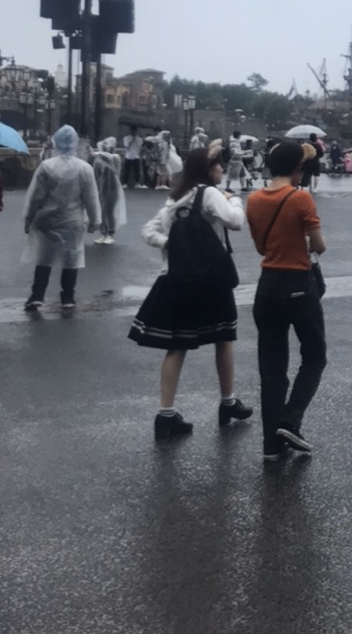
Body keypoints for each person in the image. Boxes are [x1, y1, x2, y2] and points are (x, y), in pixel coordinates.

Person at [130, 148, 251, 440]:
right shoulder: (210, 194)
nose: (222, 170)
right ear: (208, 169)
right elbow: (235, 222)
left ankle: (166, 413)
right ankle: (227, 402)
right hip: (211, 279)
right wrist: (234, 199)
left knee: (177, 345)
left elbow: (148, 231)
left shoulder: (175, 199)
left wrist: (171, 244)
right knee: (223, 337)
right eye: (219, 166)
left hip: (178, 277)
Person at [246, 140, 328, 462]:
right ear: (298, 167)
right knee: (314, 356)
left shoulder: (254, 199)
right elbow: (319, 245)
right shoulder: (300, 198)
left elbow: (260, 248)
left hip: (267, 286)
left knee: (271, 368)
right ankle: (290, 420)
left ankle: (271, 445)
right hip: (298, 285)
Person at [22, 124, 101, 314]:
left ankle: (37, 295)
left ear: (56, 142)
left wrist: (28, 219)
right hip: (73, 220)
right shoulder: (85, 168)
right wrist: (94, 220)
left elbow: (35, 197)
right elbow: (91, 197)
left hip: (47, 220)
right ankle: (67, 297)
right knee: (71, 258)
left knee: (44, 258)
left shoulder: (47, 166)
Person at [92, 137, 126, 243]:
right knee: (101, 211)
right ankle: (103, 233)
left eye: (107, 144)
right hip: (101, 187)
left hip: (112, 187)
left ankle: (110, 233)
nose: (104, 146)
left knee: (109, 210)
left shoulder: (115, 157)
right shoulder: (99, 160)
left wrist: (96, 152)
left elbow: (108, 158)